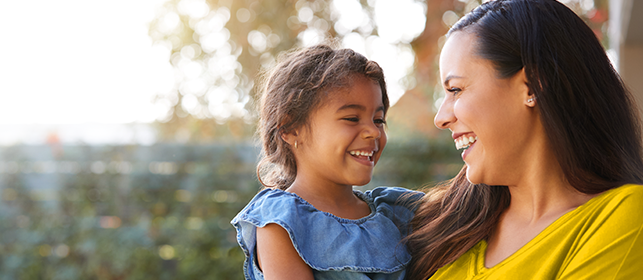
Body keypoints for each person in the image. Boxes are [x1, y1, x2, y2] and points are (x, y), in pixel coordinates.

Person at [404, 0, 643, 279]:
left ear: (532, 85)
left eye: (455, 89)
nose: (441, 118)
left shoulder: (623, 217)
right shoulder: (440, 222)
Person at [231, 44, 422, 280]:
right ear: (290, 129)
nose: (373, 132)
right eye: (352, 118)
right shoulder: (281, 223)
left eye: (379, 120)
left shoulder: (397, 210)